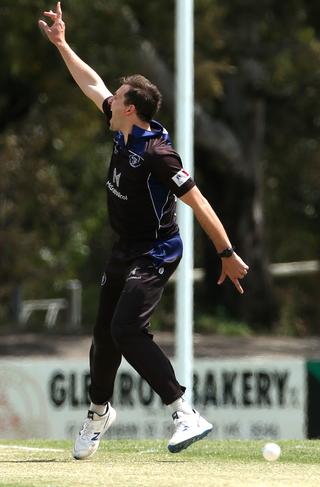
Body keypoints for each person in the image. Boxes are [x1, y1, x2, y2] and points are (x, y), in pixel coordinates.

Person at [38, 2, 250, 459]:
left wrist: (226, 251)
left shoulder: (157, 153)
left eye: (117, 98)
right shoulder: (122, 127)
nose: (108, 100)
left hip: (157, 250)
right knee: (104, 337)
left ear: (130, 109)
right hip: (124, 247)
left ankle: (184, 412)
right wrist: (62, 44)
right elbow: (91, 83)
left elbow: (198, 202)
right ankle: (98, 413)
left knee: (126, 328)